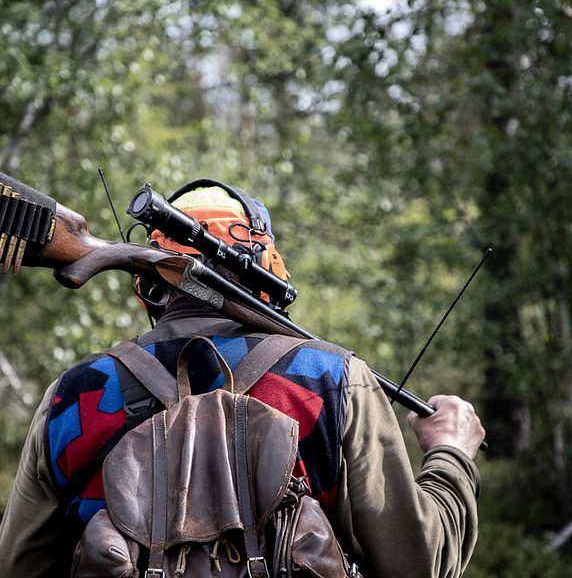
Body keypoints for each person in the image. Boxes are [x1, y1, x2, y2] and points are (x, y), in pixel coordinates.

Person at [0, 180, 485, 577]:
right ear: (265, 270)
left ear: (146, 286)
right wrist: (451, 453)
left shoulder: (72, 396)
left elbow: (18, 566)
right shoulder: (333, 380)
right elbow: (419, 565)